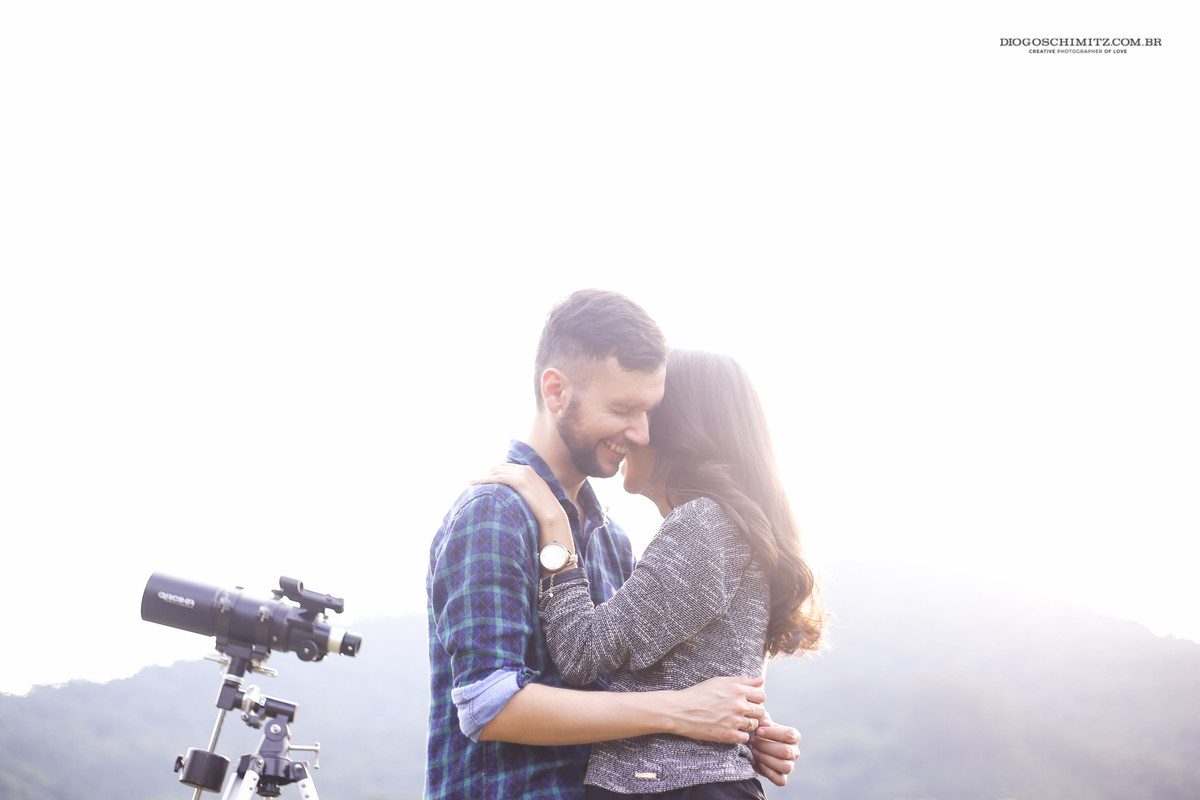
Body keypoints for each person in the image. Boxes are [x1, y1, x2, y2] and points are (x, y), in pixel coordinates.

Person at [426, 290, 802, 800]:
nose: (641, 432)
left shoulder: (612, 539)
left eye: (650, 412)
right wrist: (682, 711)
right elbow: (487, 704)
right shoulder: (496, 513)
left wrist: (736, 725)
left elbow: (626, 675)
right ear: (556, 392)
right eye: (625, 408)